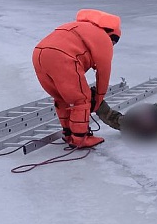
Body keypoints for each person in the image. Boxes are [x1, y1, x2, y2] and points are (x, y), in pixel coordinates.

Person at [32, 9, 121, 148]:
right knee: (82, 99)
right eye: (114, 42)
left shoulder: (77, 27)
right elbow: (103, 73)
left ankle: (68, 133)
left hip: (39, 53)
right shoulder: (103, 38)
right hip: (62, 57)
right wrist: (97, 100)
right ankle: (80, 139)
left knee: (62, 97)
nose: (113, 46)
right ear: (111, 35)